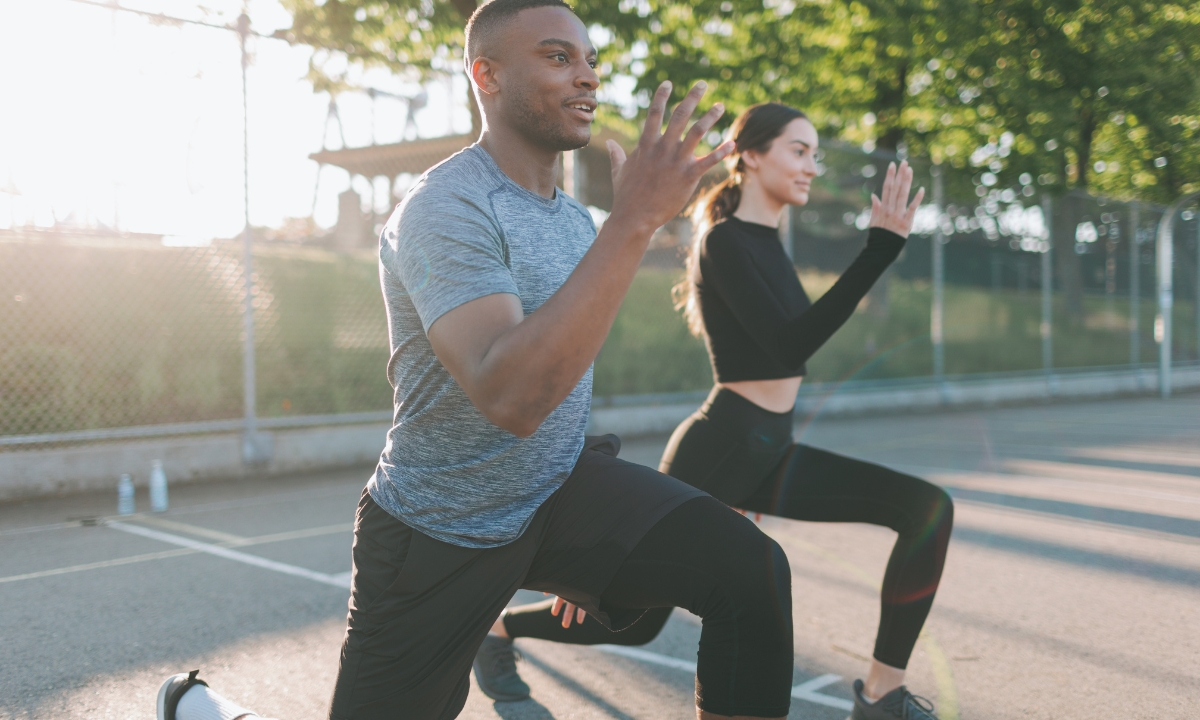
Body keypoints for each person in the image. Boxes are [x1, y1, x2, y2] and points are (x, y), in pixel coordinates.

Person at [157, 2, 802, 719]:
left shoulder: (567, 218)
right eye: (559, 58)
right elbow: (512, 395)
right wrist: (634, 220)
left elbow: (564, 365)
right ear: (486, 75)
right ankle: (204, 711)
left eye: (590, 61)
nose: (586, 76)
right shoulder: (444, 207)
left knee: (752, 572)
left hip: (556, 495)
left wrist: (592, 539)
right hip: (441, 529)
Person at [472, 104, 953, 720]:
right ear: (751, 154)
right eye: (799, 150)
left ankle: (881, 695)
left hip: (769, 450)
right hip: (720, 447)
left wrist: (876, 251)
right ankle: (498, 631)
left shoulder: (767, 242)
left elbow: (786, 348)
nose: (812, 165)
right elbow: (787, 346)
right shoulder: (723, 242)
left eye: (814, 153)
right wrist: (878, 252)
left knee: (926, 511)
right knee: (631, 620)